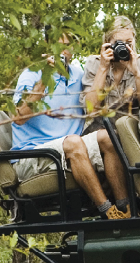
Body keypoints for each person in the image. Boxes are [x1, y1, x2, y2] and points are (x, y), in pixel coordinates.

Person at [10, 27, 133, 217]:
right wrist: (44, 79)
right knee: (74, 142)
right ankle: (107, 211)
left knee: (107, 137)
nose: (63, 51)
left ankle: (126, 207)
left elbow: (92, 108)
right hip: (32, 154)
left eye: (68, 46)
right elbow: (18, 117)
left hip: (69, 148)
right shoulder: (31, 74)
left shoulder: (77, 74)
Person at [81, 14, 140, 120]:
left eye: (128, 43)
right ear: (107, 43)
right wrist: (103, 68)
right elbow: (90, 110)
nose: (124, 48)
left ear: (134, 40)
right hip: (100, 126)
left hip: (131, 126)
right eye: (118, 43)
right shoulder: (94, 63)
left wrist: (136, 73)